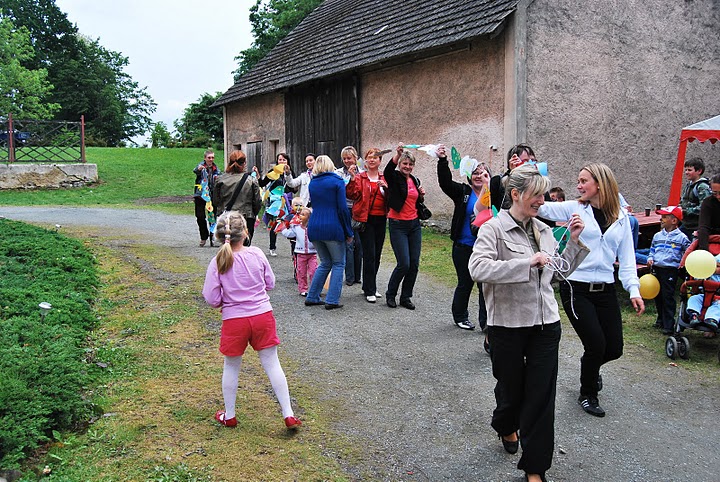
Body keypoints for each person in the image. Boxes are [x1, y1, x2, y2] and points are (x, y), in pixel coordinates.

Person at [469, 165, 589, 482]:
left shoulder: (545, 231)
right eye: (536, 194)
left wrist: (574, 243)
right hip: (506, 325)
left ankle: (535, 468)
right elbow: (478, 269)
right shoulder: (492, 230)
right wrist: (525, 262)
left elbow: (557, 271)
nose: (541, 200)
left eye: (543, 194)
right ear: (516, 194)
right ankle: (506, 425)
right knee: (511, 387)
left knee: (540, 395)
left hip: (546, 324)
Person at [538, 163, 645, 418]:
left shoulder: (621, 217)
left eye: (584, 181)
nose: (578, 185)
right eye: (578, 180)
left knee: (614, 348)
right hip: (576, 287)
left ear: (600, 184)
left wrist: (634, 290)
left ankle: (590, 366)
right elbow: (540, 206)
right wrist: (527, 177)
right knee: (596, 344)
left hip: (606, 289)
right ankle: (588, 394)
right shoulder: (575, 208)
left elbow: (627, 258)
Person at [202, 211, 301, 430]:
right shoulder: (257, 254)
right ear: (246, 233)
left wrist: (224, 301)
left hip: (234, 321)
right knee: (273, 363)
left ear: (218, 236)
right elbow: (270, 283)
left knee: (231, 366)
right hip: (262, 316)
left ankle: (230, 415)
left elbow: (211, 298)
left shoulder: (217, 261)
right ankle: (288, 413)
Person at [436, 144, 489, 331]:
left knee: (485, 287)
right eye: (474, 172)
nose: (478, 175)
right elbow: (445, 183)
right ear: (469, 175)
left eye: (482, 172)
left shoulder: (493, 195)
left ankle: (487, 323)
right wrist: (442, 160)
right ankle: (460, 316)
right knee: (465, 283)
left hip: (485, 248)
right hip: (463, 247)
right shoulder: (463, 192)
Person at [304, 155, 354, 310]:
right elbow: (342, 208)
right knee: (339, 263)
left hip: (315, 226)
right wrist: (348, 231)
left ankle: (312, 296)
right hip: (333, 227)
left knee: (325, 262)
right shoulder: (337, 182)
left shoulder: (313, 183)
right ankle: (332, 299)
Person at [383, 144, 426, 310]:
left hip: (414, 225)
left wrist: (421, 195)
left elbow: (415, 201)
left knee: (414, 264)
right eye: (404, 164)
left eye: (410, 164)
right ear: (400, 165)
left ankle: (406, 297)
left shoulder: (414, 180)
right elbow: (387, 171)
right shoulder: (394, 177)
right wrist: (397, 155)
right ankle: (391, 294)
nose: (407, 167)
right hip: (398, 224)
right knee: (404, 263)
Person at [346, 147, 388, 303]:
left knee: (377, 254)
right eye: (369, 157)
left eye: (375, 157)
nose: (372, 159)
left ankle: (370, 285)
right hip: (365, 220)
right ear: (365, 160)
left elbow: (390, 198)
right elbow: (351, 195)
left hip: (381, 218)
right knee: (369, 254)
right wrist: (351, 179)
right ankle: (369, 289)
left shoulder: (384, 177)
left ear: (380, 161)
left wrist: (386, 188)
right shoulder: (360, 177)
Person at [645, 206, 690, 334]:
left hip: (670, 270)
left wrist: (682, 264)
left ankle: (669, 324)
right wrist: (650, 258)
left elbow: (687, 252)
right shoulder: (657, 236)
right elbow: (652, 249)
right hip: (657, 268)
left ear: (674, 221)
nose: (662, 219)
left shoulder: (681, 238)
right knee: (657, 295)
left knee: (667, 296)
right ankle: (660, 319)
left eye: (665, 217)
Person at [213, 150, 261, 245]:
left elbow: (215, 201)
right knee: (244, 247)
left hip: (227, 218)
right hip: (246, 217)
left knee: (227, 245)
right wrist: (254, 213)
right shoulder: (251, 180)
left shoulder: (220, 180)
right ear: (244, 163)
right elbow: (257, 201)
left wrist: (220, 212)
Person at [256, 152, 294, 256]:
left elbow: (294, 188)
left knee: (291, 223)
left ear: (287, 161)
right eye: (280, 160)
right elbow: (262, 183)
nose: (282, 162)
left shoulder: (290, 173)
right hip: (275, 202)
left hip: (287, 202)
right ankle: (272, 247)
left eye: (284, 160)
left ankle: (294, 247)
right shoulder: (273, 172)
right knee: (274, 223)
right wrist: (258, 175)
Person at [336, 146, 363, 286]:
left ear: (355, 158)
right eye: (344, 158)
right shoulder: (339, 173)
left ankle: (358, 275)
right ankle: (350, 277)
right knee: (349, 243)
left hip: (358, 210)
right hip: (345, 209)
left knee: (359, 243)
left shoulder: (362, 173)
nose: (347, 161)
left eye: (349, 158)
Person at [281, 207, 318, 296]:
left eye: (303, 215)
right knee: (301, 272)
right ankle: (303, 289)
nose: (300, 216)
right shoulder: (296, 227)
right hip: (300, 253)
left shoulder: (313, 227)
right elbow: (289, 234)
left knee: (314, 271)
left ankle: (314, 289)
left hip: (312, 253)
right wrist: (283, 228)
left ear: (309, 217)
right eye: (300, 214)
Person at [193, 149, 221, 247]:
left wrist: (218, 178)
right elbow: (195, 170)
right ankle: (203, 236)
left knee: (212, 217)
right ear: (205, 158)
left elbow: (220, 177)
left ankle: (213, 237)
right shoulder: (201, 166)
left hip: (212, 195)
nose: (211, 159)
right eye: (209, 158)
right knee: (200, 216)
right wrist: (199, 169)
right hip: (200, 195)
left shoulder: (216, 169)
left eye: (212, 157)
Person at [686, 252, 720, 332]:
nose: (717, 268)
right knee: (694, 299)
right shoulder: (707, 273)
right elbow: (697, 278)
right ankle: (694, 315)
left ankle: (711, 319)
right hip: (703, 295)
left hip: (718, 298)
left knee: (718, 306)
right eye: (716, 266)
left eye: (719, 266)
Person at [679, 157, 711, 241]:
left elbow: (704, 208)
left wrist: (686, 211)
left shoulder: (702, 187)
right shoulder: (688, 185)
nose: (686, 172)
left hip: (696, 227)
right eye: (685, 170)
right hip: (685, 224)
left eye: (689, 170)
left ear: (699, 171)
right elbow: (683, 201)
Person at [697, 173, 720, 251]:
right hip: (712, 238)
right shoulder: (708, 202)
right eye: (715, 193)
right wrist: (703, 250)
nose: (718, 196)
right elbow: (703, 227)